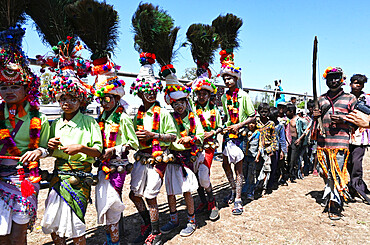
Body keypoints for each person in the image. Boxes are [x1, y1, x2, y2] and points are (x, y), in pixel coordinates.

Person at [41, 41, 102, 244]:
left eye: (72, 98)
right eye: (62, 98)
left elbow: (98, 152)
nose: (66, 102)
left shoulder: (89, 122)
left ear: (81, 100)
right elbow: (47, 151)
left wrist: (81, 148)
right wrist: (49, 147)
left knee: (76, 226)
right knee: (54, 223)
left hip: (79, 179)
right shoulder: (54, 123)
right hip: (58, 177)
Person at [0, 27, 50, 245]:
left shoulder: (39, 117)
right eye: (3, 86)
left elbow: (47, 147)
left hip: (25, 180)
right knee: (1, 234)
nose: (8, 90)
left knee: (19, 233)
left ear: (27, 86)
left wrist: (38, 151)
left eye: (14, 85)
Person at [128, 54, 177, 245]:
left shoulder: (163, 113)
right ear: (139, 92)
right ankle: (148, 224)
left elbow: (173, 136)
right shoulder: (136, 114)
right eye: (146, 90)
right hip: (142, 158)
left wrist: (153, 136)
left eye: (153, 90)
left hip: (158, 159)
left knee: (150, 196)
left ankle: (156, 233)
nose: (150, 93)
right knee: (134, 195)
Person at [92, 58, 139, 245]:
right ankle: (110, 238)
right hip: (102, 166)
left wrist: (115, 149)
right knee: (104, 202)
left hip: (117, 166)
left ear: (116, 98)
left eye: (107, 98)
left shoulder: (124, 118)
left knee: (112, 203)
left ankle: (115, 241)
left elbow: (133, 142)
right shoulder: (99, 118)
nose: (104, 102)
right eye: (101, 99)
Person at [159, 70, 203, 237]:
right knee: (170, 191)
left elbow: (199, 136)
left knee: (186, 190)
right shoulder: (169, 117)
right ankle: (174, 219)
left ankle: (192, 221)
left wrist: (190, 140)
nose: (178, 106)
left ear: (186, 102)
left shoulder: (194, 118)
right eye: (175, 103)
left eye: (181, 102)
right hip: (171, 159)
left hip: (187, 158)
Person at [186, 22, 222, 221]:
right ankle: (204, 203)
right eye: (198, 93)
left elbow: (218, 128)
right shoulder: (191, 108)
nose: (201, 96)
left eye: (204, 93)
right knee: (194, 178)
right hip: (193, 147)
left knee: (204, 176)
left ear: (209, 95)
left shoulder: (214, 109)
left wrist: (212, 133)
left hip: (207, 147)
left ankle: (213, 203)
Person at [313, 66, 357, 220]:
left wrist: (343, 119)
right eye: (330, 78)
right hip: (323, 143)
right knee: (324, 171)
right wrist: (315, 115)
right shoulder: (321, 99)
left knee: (336, 172)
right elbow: (316, 120)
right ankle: (330, 192)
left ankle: (335, 204)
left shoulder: (350, 98)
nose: (333, 81)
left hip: (340, 143)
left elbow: (357, 121)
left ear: (342, 80)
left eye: (336, 77)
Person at [347, 74, 370, 203]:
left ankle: (358, 187)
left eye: (360, 84)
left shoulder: (366, 98)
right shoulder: (345, 98)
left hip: (360, 136)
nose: (358, 85)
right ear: (350, 84)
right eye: (356, 83)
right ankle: (351, 187)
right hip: (346, 135)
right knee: (348, 162)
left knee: (356, 163)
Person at [255, 103, 277, 195]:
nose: (263, 113)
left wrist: (272, 149)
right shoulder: (256, 122)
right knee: (257, 169)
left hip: (267, 149)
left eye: (266, 112)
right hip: (256, 150)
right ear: (259, 112)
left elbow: (274, 138)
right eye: (262, 112)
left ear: (268, 113)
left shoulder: (271, 124)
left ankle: (264, 187)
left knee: (267, 170)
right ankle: (257, 186)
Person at [242, 118, 261, 200]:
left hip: (253, 157)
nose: (251, 125)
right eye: (249, 123)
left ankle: (250, 192)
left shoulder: (258, 133)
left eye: (253, 123)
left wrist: (257, 156)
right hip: (244, 157)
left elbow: (260, 145)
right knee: (244, 174)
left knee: (251, 175)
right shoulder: (244, 133)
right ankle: (246, 189)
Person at [268, 107, 287, 190]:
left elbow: (282, 139)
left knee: (274, 167)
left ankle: (270, 184)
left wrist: (283, 151)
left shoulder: (280, 126)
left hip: (276, 149)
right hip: (266, 149)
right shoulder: (266, 125)